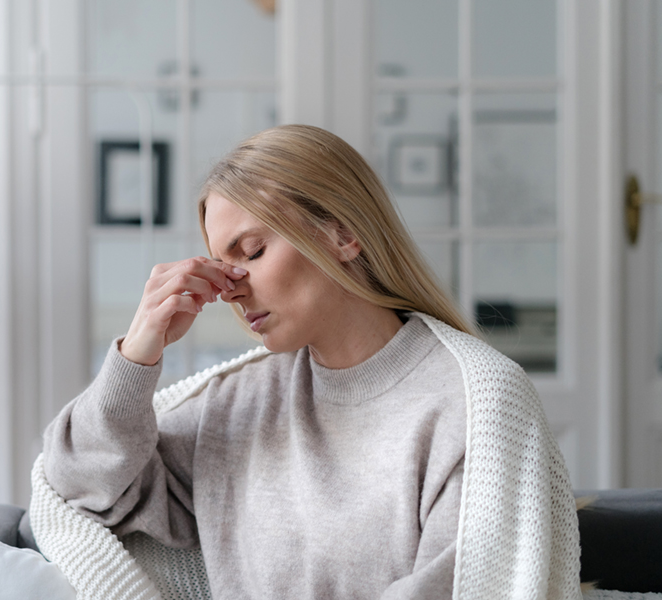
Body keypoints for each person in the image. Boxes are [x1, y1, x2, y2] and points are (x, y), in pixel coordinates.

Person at [41, 125, 580, 599]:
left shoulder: (476, 404)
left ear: (343, 234)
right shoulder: (238, 404)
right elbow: (81, 484)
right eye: (220, 264)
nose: (231, 289)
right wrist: (139, 352)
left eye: (251, 252)